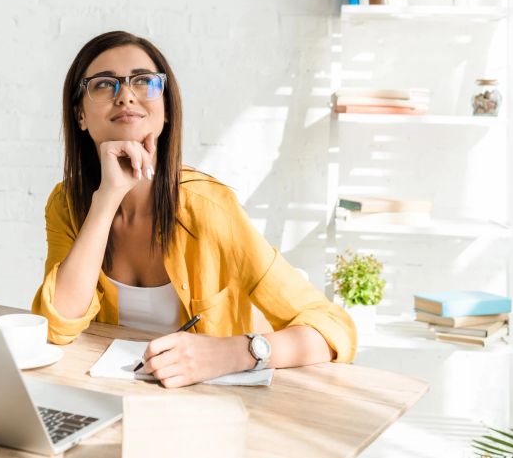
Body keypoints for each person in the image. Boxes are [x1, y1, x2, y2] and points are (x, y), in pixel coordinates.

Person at [32, 31, 356, 388]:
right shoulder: (66, 204)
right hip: (108, 397)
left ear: (166, 109)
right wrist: (108, 197)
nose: (125, 95)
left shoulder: (209, 207)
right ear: (80, 114)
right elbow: (56, 326)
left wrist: (232, 353)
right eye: (104, 84)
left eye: (143, 82)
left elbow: (333, 328)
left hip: (208, 410)